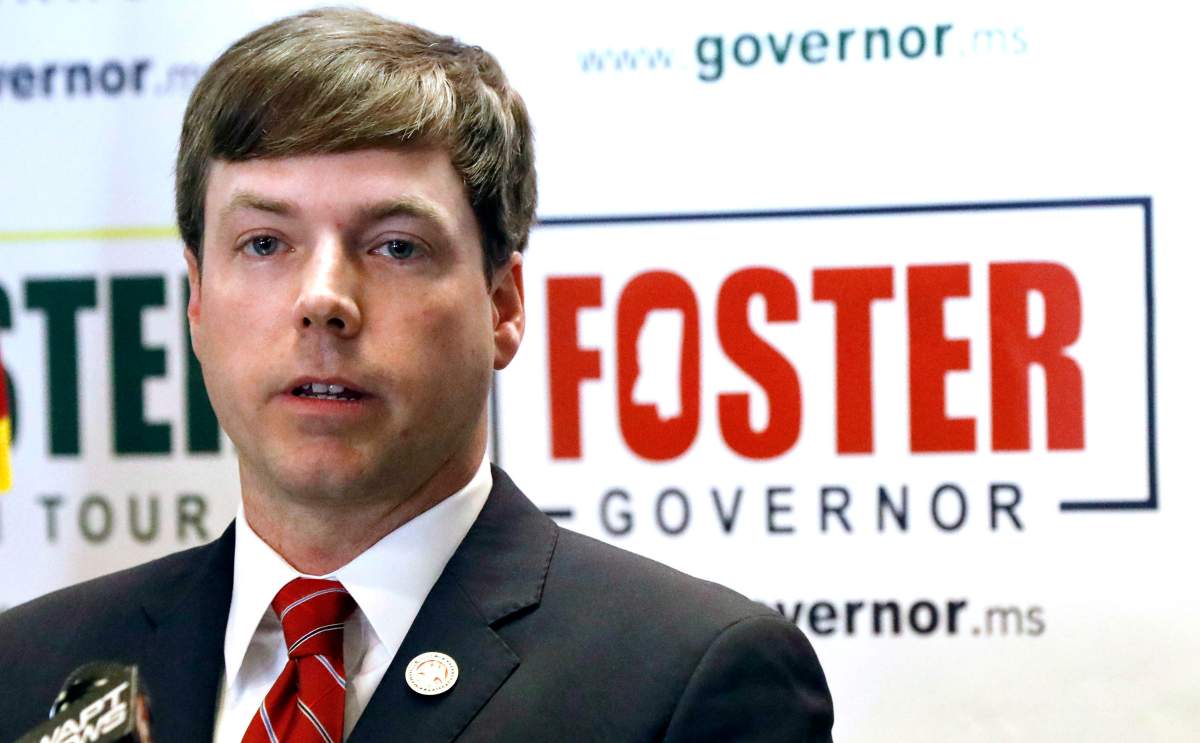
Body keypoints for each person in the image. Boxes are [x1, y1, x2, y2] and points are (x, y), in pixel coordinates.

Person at [0, 8, 834, 741]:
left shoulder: (689, 679)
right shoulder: (30, 672)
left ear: (502, 303)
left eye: (395, 246)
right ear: (196, 300)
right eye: (264, 243)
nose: (323, 299)